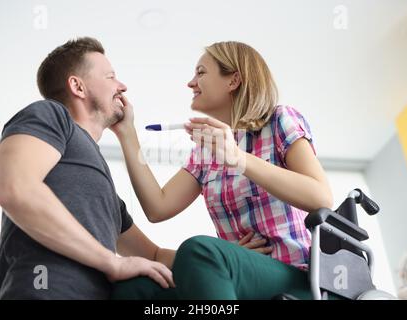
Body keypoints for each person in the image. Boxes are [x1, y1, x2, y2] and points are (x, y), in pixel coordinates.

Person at [113, 41, 335, 299]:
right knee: (135, 288)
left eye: (201, 72)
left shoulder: (279, 120)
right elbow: (157, 207)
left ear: (233, 80)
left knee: (199, 250)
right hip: (237, 276)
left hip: (297, 276)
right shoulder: (207, 151)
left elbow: (321, 198)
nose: (191, 83)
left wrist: (237, 158)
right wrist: (127, 133)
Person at [0, 37, 176, 299]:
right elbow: (16, 188)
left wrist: (226, 257)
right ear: (78, 86)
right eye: (111, 77)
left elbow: (154, 256)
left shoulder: (106, 192)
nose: (122, 86)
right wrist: (112, 261)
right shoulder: (50, 115)